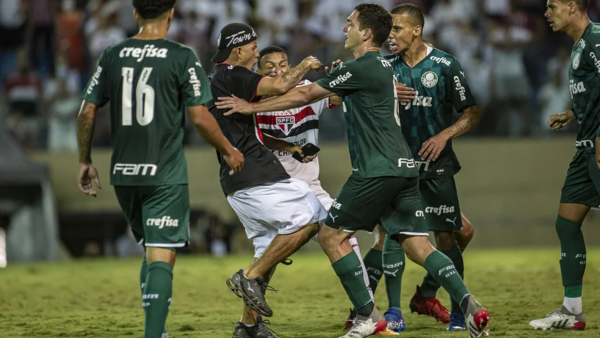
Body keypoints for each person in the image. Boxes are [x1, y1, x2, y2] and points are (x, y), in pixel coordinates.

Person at [217, 4, 490, 338]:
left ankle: (366, 317)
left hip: (376, 170)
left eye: (349, 24)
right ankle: (471, 306)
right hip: (405, 168)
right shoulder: (381, 68)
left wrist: (249, 106)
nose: (344, 29)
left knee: (330, 235)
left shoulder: (364, 65)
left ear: (365, 33)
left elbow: (305, 93)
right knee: (418, 245)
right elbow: (342, 91)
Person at [76, 1, 244, 337]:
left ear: (136, 14)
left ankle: (159, 330)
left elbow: (86, 112)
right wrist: (228, 149)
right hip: (164, 173)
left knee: (153, 250)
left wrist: (84, 160)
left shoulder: (112, 54)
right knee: (161, 256)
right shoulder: (182, 56)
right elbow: (199, 117)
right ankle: (153, 335)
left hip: (123, 173)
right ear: (171, 13)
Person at [356, 4, 481, 332]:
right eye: (389, 29)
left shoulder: (445, 65)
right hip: (396, 166)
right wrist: (383, 92)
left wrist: (445, 134)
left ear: (416, 30)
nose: (391, 35)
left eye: (397, 29)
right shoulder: (384, 68)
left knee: (447, 236)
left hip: (437, 167)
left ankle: (456, 313)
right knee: (391, 236)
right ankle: (390, 311)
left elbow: (471, 112)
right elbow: (351, 91)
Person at [205, 23, 328, 338]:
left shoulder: (219, 79)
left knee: (267, 249)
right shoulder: (232, 73)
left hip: (241, 178)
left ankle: (248, 327)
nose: (257, 53)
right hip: (254, 175)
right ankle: (248, 277)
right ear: (239, 50)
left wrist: (291, 147)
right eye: (254, 48)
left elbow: (254, 133)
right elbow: (279, 88)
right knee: (311, 217)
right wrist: (306, 65)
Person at [529, 0, 600, 331]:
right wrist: (571, 113)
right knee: (566, 224)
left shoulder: (597, 38)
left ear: (573, 6)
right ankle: (572, 311)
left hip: (598, 147)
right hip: (584, 150)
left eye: (553, 6)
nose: (546, 13)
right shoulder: (578, 46)